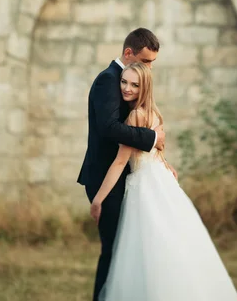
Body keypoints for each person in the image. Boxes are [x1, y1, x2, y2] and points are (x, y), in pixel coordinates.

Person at [90, 62, 237, 301]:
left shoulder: (134, 116)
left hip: (144, 185)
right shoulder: (154, 113)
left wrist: (98, 199)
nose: (127, 88)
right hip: (161, 181)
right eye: (124, 82)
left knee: (146, 248)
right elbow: (156, 152)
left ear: (145, 87)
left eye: (134, 84)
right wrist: (166, 164)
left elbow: (120, 163)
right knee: (171, 242)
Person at [78, 28, 174, 301]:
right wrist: (153, 138)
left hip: (126, 176)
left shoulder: (127, 82)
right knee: (112, 250)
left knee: (126, 249)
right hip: (105, 177)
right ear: (129, 53)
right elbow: (109, 128)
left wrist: (160, 160)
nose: (150, 68)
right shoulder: (107, 81)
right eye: (146, 61)